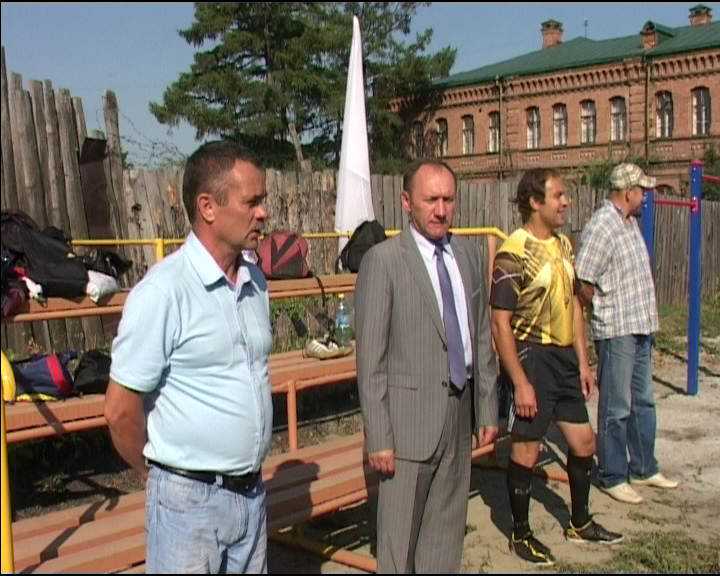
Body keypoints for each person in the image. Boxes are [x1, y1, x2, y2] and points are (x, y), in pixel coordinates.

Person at [104, 140, 272, 574]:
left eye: (263, 201)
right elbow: (120, 410)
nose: (263, 213)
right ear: (207, 207)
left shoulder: (255, 282)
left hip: (251, 497)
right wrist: (155, 476)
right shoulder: (164, 292)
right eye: (252, 202)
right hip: (188, 505)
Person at [355, 157, 498, 573]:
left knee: (445, 537)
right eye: (430, 200)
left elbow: (481, 334)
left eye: (448, 200)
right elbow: (371, 361)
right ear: (406, 202)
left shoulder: (468, 254)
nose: (440, 210)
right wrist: (379, 436)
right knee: (399, 546)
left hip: (459, 412)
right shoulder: (384, 261)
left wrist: (487, 406)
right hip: (406, 427)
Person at [490, 168, 623, 567]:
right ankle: (520, 533)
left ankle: (579, 523)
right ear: (535, 202)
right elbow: (499, 322)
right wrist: (519, 381)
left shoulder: (564, 244)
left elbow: (575, 305)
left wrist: (583, 361)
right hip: (532, 356)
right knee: (527, 449)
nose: (567, 202)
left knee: (584, 443)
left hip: (564, 358)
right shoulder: (513, 251)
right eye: (558, 196)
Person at [575, 162, 679, 505]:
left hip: (640, 326)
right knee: (616, 406)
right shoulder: (602, 225)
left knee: (643, 401)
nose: (646, 197)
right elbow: (583, 279)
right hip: (617, 330)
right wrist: (601, 308)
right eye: (642, 191)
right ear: (628, 192)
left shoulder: (629, 223)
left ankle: (644, 467)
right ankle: (613, 474)